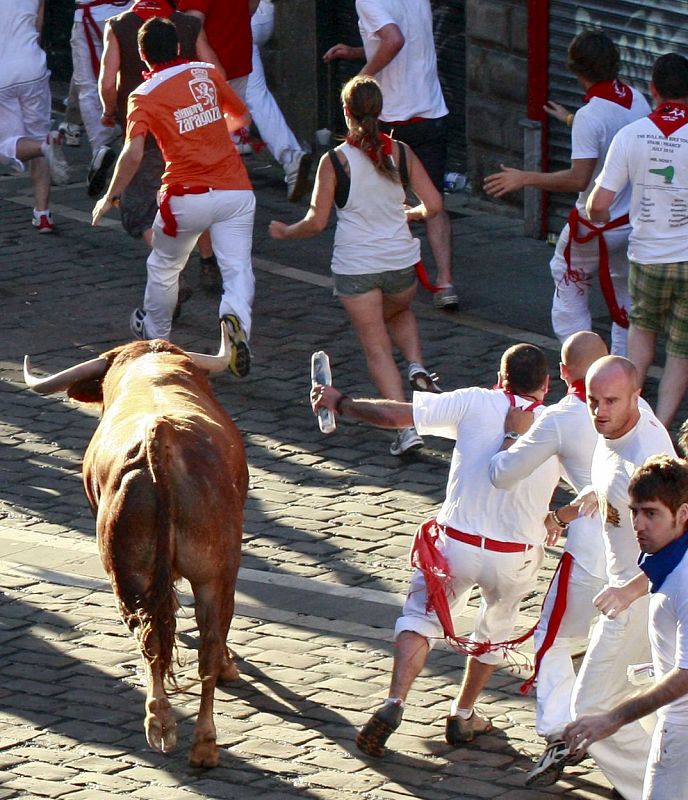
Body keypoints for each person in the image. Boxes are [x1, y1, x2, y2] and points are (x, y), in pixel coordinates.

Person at [311, 343, 561, 754]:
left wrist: (342, 403)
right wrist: (559, 518)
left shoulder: (474, 402)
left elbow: (395, 415)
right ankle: (463, 715)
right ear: (547, 384)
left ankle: (395, 701)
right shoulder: (557, 423)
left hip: (456, 545)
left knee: (419, 618)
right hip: (514, 555)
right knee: (494, 632)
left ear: (500, 378)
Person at [270, 75, 442, 456]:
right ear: (380, 110)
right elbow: (434, 204)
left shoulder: (335, 162)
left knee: (376, 347)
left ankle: (406, 429)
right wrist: (411, 213)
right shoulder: (401, 153)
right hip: (401, 262)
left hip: (357, 267)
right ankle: (416, 365)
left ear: (346, 112)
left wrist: (285, 232)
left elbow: (316, 222)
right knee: (399, 312)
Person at [92, 16, 255, 378]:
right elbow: (240, 116)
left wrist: (110, 196)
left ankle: (156, 339)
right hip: (235, 190)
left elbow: (133, 153)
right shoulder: (206, 73)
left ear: (142, 54)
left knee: (164, 267)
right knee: (237, 268)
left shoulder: (142, 95)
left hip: (185, 195)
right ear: (180, 47)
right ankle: (235, 323)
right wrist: (209, 134)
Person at [488, 331, 609, 786]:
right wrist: (562, 513)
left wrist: (512, 433)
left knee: (552, 641)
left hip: (593, 553)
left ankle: (561, 733)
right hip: (648, 554)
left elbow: (501, 474)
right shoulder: (641, 409)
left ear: (562, 373)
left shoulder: (560, 417)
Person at [484, 31, 650, 356]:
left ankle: (581, 362)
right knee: (625, 299)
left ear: (576, 70)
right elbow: (613, 132)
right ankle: (623, 368)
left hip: (593, 226)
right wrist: (572, 119)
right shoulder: (637, 99)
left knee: (567, 279)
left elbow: (578, 178)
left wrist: (524, 177)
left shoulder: (591, 116)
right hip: (631, 224)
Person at [558, 356, 674, 799]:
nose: (600, 411)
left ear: (636, 398)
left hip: (639, 599)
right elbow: (615, 485)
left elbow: (680, 540)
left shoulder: (645, 456)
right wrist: (588, 499)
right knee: (645, 694)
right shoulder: (617, 429)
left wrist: (629, 590)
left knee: (591, 708)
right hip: (633, 594)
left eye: (611, 401)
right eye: (593, 400)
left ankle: (659, 789)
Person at [564, 455, 688, 799]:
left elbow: (686, 676)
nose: (638, 525)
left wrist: (612, 719)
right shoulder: (671, 560)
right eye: (634, 512)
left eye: (651, 514)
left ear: (682, 514)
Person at [323, 0, 457, 310]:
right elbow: (405, 42)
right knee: (434, 201)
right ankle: (446, 283)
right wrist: (357, 51)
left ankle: (389, 276)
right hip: (430, 111)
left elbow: (394, 40)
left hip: (391, 117)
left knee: (383, 200)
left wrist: (360, 80)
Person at [587, 53, 688, 429]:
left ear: (653, 89)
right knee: (681, 349)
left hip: (646, 257)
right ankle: (660, 425)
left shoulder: (631, 135)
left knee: (641, 332)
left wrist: (600, 220)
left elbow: (599, 204)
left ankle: (630, 416)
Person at [177, 0, 258, 292]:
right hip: (236, 61)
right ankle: (228, 244)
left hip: (208, 73)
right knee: (226, 156)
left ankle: (210, 254)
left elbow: (192, 24)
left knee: (202, 164)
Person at [0, 0, 69, 233]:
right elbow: (38, 31)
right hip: (32, 67)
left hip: (2, 74)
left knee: (5, 146)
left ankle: (45, 146)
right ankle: (43, 215)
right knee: (38, 136)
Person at [245, 0, 311, 202]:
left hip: (241, 20)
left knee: (249, 92)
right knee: (251, 92)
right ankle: (239, 141)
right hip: (259, 14)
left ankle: (289, 156)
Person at [71, 0, 133, 197]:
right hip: (127, 11)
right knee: (129, 74)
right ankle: (130, 137)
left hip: (90, 15)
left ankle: (100, 147)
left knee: (87, 86)